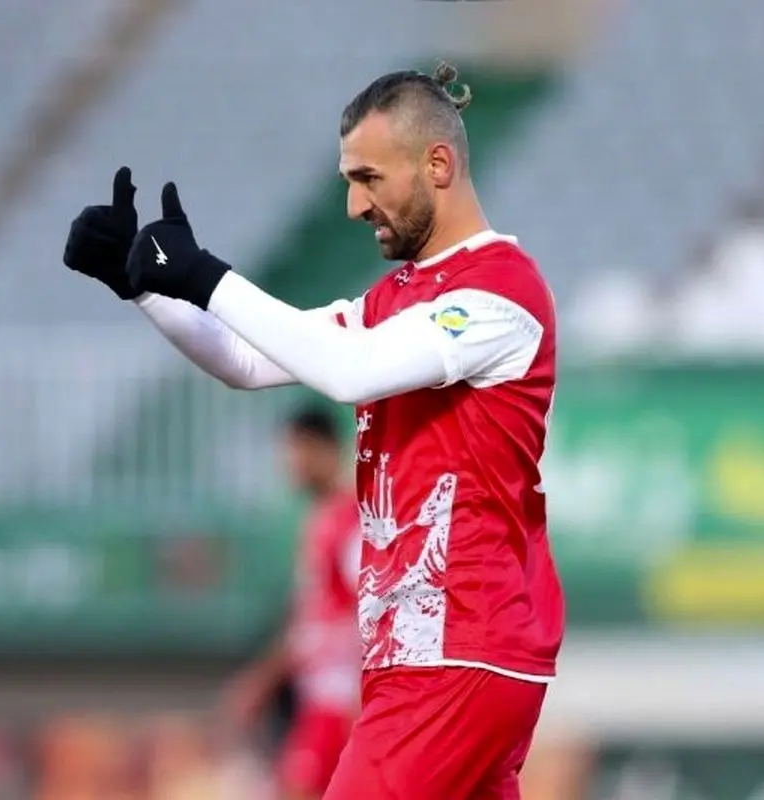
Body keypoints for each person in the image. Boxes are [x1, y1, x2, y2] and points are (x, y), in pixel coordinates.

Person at [62, 61, 565, 800]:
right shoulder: (393, 302)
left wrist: (204, 274)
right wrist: (139, 285)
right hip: (432, 657)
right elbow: (244, 361)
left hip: (455, 652)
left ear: (438, 165)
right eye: (348, 182)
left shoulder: (498, 292)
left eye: (369, 178)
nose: (355, 205)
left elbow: (348, 372)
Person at [217, 407, 361, 800]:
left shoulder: (350, 521)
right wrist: (263, 680)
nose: (288, 462)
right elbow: (308, 624)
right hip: (317, 694)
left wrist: (364, 694)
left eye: (297, 449)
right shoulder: (319, 520)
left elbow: (370, 609)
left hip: (340, 697)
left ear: (326, 449)